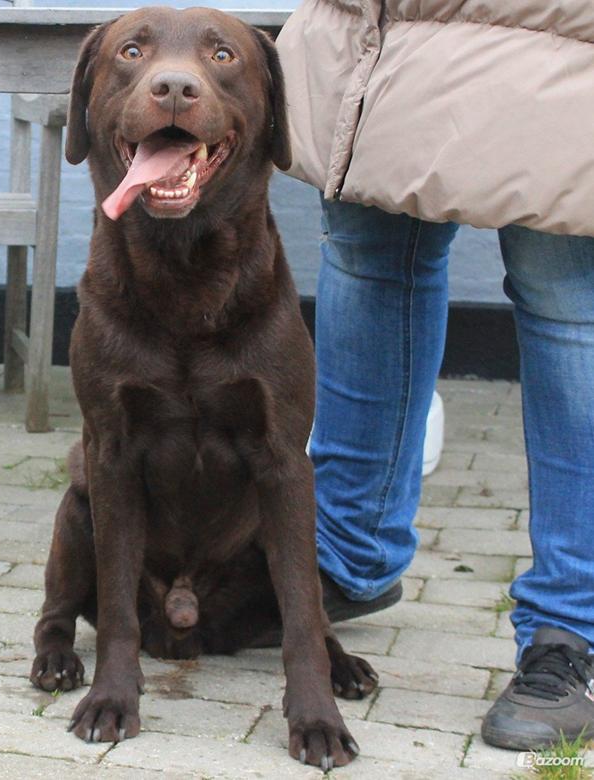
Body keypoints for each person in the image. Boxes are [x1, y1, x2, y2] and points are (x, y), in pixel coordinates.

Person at [274, 0, 594, 751]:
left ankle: (573, 627)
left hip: (559, 32)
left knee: (566, 292)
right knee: (367, 260)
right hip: (379, 34)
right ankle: (344, 559)